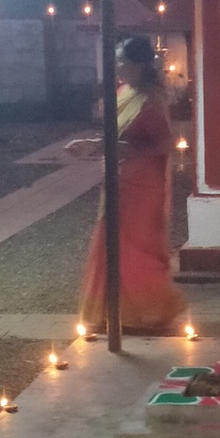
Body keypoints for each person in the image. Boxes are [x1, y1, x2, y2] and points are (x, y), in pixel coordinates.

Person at [75, 35, 189, 336]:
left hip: (142, 182)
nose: (117, 67)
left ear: (140, 65)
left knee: (136, 245)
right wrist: (94, 145)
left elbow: (163, 144)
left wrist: (116, 150)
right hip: (118, 177)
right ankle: (113, 309)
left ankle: (145, 310)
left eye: (122, 62)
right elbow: (116, 138)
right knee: (110, 240)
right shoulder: (125, 91)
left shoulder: (152, 97)